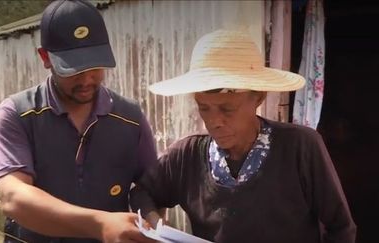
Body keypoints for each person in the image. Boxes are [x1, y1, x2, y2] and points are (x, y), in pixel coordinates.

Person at [131, 30, 356, 243]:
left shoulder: (301, 147)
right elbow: (142, 193)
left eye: (227, 109)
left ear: (258, 98)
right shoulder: (186, 155)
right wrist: (157, 228)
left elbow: (341, 228)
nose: (214, 122)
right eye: (204, 108)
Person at [0, 0, 157, 242]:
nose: (87, 79)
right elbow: (13, 197)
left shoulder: (130, 119)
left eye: (96, 66)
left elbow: (149, 187)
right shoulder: (17, 115)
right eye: (74, 69)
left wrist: (151, 219)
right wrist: (99, 224)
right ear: (45, 57)